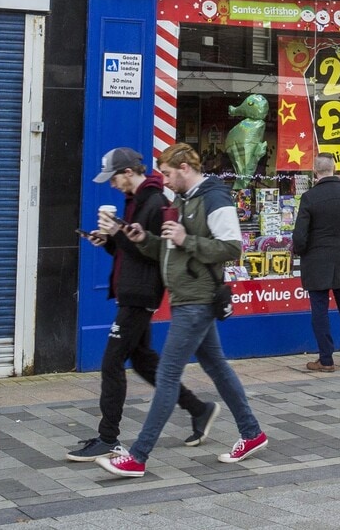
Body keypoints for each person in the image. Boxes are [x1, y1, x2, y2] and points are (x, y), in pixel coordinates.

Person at [97, 143, 270, 477]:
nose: (165, 180)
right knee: (216, 366)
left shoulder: (214, 198)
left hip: (197, 300)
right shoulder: (183, 199)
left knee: (166, 376)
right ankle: (252, 433)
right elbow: (168, 248)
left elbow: (232, 247)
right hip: (185, 297)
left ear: (185, 168)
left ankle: (138, 456)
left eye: (169, 173)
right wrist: (141, 238)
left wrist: (185, 240)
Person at [68, 147, 217, 462]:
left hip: (141, 295)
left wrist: (119, 235)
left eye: (113, 178)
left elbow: (157, 254)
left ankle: (108, 438)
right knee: (145, 362)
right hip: (132, 291)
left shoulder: (154, 203)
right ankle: (199, 409)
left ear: (126, 173)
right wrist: (109, 241)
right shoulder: (136, 201)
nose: (111, 185)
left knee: (111, 362)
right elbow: (131, 251)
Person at [292, 153, 340, 373]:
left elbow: (299, 237)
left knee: (320, 309)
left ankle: (326, 360)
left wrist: (303, 251)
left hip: (316, 262)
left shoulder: (309, 197)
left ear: (315, 171)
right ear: (334, 168)